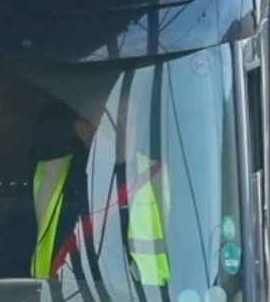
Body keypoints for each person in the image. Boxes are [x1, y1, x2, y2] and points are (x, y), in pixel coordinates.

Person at [30, 82, 170, 287]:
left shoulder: (158, 176)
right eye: (111, 124)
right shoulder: (50, 173)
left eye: (129, 122)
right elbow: (20, 242)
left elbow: (187, 249)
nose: (123, 132)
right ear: (83, 131)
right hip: (59, 298)